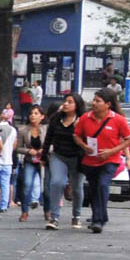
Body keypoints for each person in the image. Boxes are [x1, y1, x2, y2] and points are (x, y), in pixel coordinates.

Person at [74, 87, 130, 233]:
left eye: (98, 101)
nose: (94, 103)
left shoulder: (118, 120)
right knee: (94, 189)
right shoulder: (85, 118)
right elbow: (76, 135)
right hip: (90, 161)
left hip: (110, 160)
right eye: (93, 100)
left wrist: (112, 151)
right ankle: (99, 216)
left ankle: (98, 221)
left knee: (102, 185)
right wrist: (84, 146)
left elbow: (128, 140)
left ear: (108, 104)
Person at [44, 93, 84, 230]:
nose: (65, 104)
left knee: (77, 187)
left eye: (70, 102)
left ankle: (76, 216)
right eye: (65, 101)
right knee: (57, 182)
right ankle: (54, 217)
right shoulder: (56, 118)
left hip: (77, 157)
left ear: (77, 105)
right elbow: (48, 137)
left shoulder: (82, 120)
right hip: (58, 155)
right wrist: (44, 155)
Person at [15, 106, 48, 221]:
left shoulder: (46, 129)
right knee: (27, 184)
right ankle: (24, 211)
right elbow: (18, 148)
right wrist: (29, 151)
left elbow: (53, 144)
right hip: (30, 161)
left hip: (44, 161)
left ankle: (47, 211)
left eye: (36, 113)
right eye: (31, 113)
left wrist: (44, 150)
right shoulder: (23, 129)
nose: (33, 115)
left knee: (46, 186)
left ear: (42, 116)